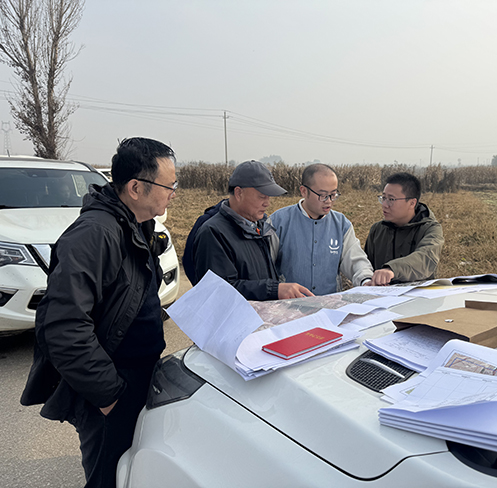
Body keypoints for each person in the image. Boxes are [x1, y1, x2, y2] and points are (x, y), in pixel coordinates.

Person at [20, 138, 178, 488]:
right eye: (169, 185)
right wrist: (109, 394)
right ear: (135, 188)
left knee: (129, 469)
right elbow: (63, 326)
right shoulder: (95, 235)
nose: (173, 193)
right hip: (112, 383)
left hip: (135, 375)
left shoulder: (136, 223)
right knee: (107, 474)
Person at [192, 160, 313, 300]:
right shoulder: (213, 233)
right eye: (262, 196)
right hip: (239, 314)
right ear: (239, 193)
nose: (267, 203)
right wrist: (273, 290)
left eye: (268, 197)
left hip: (262, 312)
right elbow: (217, 291)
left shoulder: (260, 227)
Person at [270, 163, 373, 295]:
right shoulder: (279, 221)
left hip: (330, 303)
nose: (329, 201)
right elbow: (264, 267)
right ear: (304, 191)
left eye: (333, 194)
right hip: (289, 303)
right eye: (322, 195)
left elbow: (355, 259)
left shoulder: (341, 224)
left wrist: (366, 280)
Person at [365, 172, 444, 285]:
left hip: (418, 294)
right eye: (383, 198)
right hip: (381, 295)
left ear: (412, 203)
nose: (385, 205)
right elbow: (366, 266)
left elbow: (425, 259)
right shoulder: (377, 230)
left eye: (391, 199)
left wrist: (392, 270)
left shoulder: (430, 229)